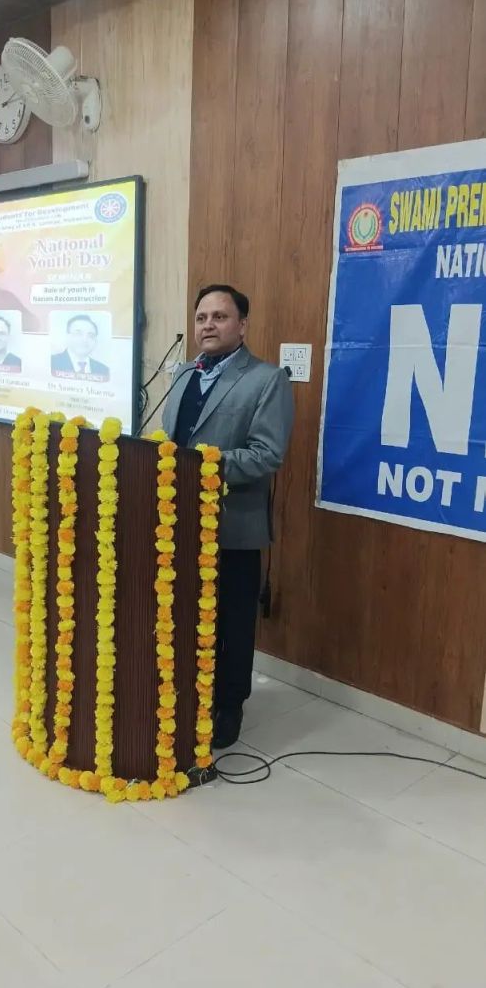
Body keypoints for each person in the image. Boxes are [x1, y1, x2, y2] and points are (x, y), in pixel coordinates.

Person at [162, 284, 294, 749]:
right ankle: (184, 693)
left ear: (242, 325)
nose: (208, 326)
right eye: (201, 317)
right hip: (177, 525)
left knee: (232, 623)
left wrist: (202, 465)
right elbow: (171, 440)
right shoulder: (183, 373)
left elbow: (267, 454)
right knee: (182, 614)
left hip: (233, 526)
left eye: (219, 317)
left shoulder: (266, 379)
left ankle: (229, 703)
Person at [51, 314, 110, 381]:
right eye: (78, 333)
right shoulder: (52, 362)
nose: (84, 340)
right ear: (67, 336)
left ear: (95, 341)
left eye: (90, 335)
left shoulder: (104, 370)